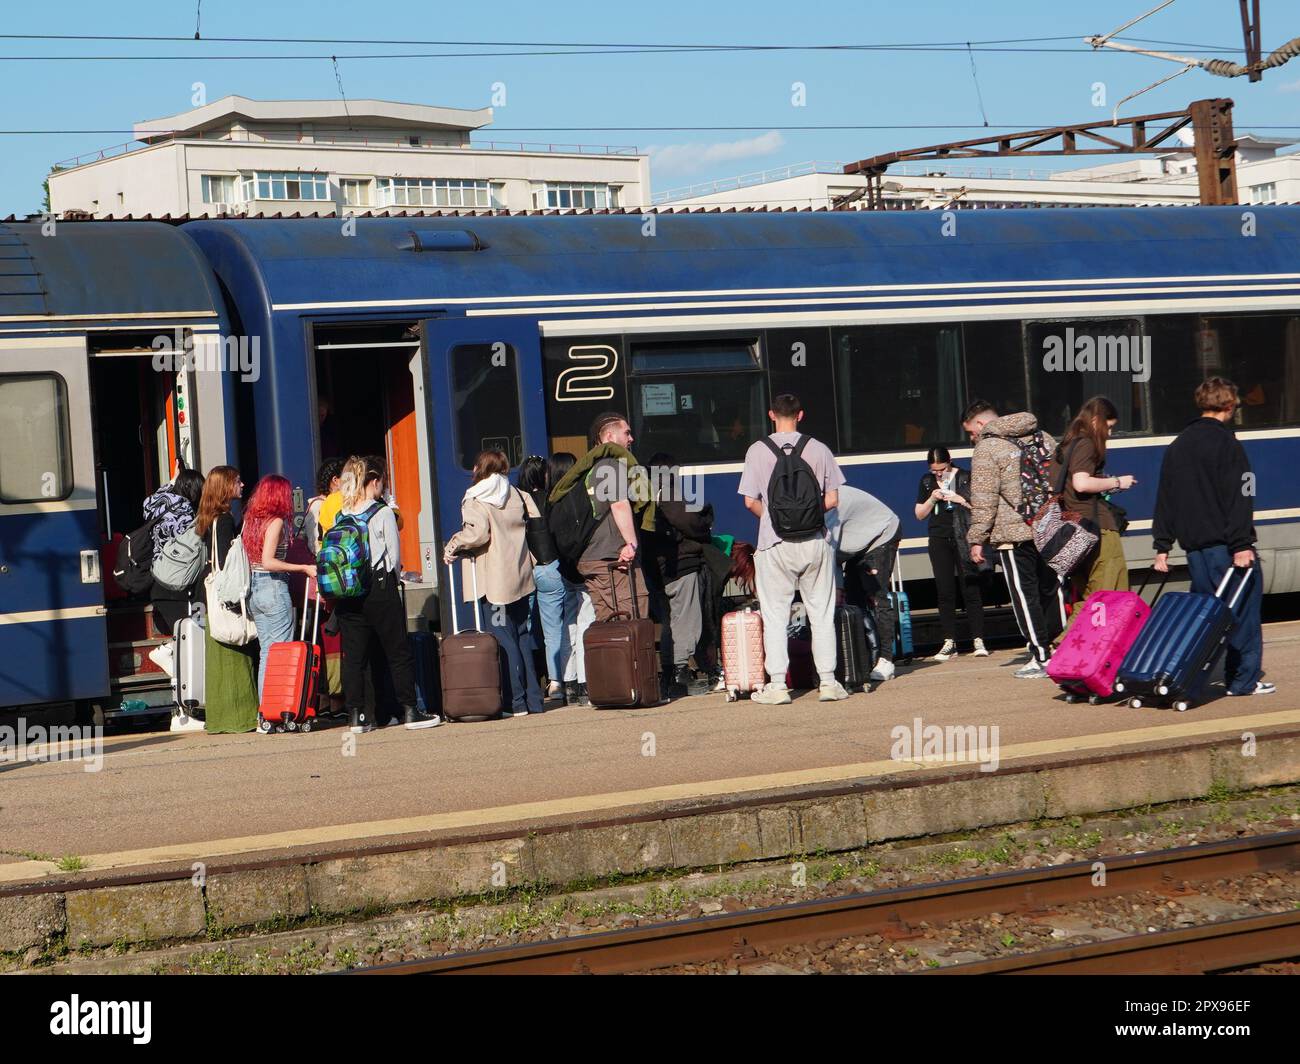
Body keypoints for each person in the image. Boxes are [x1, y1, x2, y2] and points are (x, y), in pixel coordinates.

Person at [1153, 377, 1274, 697]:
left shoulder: (1177, 446)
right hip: (1226, 546)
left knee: (1208, 617)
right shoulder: (1229, 445)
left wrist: (1162, 545)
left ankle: (1190, 675)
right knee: (1243, 612)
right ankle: (1243, 680)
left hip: (1195, 550)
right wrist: (1242, 544)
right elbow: (1241, 497)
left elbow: (1166, 497)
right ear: (1230, 406)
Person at [737, 393, 850, 703]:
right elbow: (833, 499)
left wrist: (775, 520)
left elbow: (749, 501)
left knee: (775, 615)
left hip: (774, 545)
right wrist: (808, 518)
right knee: (821, 612)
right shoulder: (819, 448)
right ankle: (827, 682)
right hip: (815, 542)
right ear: (801, 415)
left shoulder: (757, 451)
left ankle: (777, 685)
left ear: (772, 414)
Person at [335, 456, 440, 731]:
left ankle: (357, 716)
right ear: (374, 482)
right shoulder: (381, 512)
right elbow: (393, 557)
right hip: (379, 588)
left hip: (347, 591)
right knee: (397, 651)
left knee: (355, 658)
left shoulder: (341, 514)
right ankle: (410, 711)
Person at [963, 400, 1065, 679]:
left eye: (971, 432)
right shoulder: (1041, 435)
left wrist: (977, 538)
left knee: (1024, 595)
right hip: (1049, 525)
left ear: (981, 424)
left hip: (1012, 534)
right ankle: (1060, 647)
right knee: (1051, 589)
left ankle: (1041, 656)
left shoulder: (987, 447)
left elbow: (984, 498)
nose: (972, 438)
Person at [443, 449, 544, 716]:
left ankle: (516, 702)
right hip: (521, 577)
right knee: (522, 635)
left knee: (502, 638)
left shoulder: (476, 497)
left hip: (494, 581)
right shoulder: (518, 494)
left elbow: (476, 534)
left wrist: (452, 545)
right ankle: (535, 700)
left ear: (478, 468)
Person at [1050, 397, 1137, 628]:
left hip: (1073, 531)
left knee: (1090, 593)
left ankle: (1074, 647)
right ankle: (1067, 645)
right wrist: (1117, 482)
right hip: (1095, 526)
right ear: (1096, 420)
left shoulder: (1065, 445)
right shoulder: (1087, 443)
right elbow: (1081, 483)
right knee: (1110, 592)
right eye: (1108, 426)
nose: (1110, 432)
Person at [643, 453, 715, 698]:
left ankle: (670, 670)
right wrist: (705, 520)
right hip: (679, 564)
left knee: (669, 621)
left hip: (656, 567)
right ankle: (680, 672)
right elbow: (689, 521)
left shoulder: (646, 492)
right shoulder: (667, 490)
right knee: (686, 618)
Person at [194, 466, 260, 733]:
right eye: (237, 481)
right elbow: (226, 563)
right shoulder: (223, 520)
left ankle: (220, 717)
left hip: (211, 599)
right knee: (237, 656)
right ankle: (241, 717)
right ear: (225, 487)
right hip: (226, 599)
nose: (242, 485)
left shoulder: (208, 518)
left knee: (219, 662)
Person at [242, 474, 318, 703]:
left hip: (254, 590)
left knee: (267, 651)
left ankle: (266, 709)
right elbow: (268, 561)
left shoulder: (250, 520)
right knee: (281, 651)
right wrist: (304, 567)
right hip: (273, 586)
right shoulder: (275, 522)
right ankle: (277, 707)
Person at [915, 447, 989, 660]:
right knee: (944, 590)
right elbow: (919, 514)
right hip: (939, 538)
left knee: (970, 587)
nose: (938, 473)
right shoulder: (927, 481)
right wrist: (932, 499)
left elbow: (981, 508)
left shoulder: (965, 477)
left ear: (950, 462)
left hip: (963, 537)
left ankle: (978, 639)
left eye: (942, 468)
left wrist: (959, 499)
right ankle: (949, 641)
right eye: (934, 469)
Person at [828, 484, 902, 681]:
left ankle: (886, 660)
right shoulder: (815, 505)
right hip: (857, 541)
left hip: (881, 534)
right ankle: (863, 659)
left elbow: (830, 554)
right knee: (853, 602)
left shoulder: (831, 507)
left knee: (876, 597)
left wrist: (837, 589)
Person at [519, 454, 577, 705]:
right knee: (570, 624)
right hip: (556, 567)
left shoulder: (519, 502)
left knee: (541, 629)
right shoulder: (553, 498)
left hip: (534, 571)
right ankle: (571, 677)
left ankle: (552, 683)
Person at [143, 469, 206, 680]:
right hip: (177, 581)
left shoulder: (154, 504)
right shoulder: (186, 511)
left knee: (185, 632)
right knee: (191, 633)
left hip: (159, 574)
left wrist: (172, 481)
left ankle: (179, 685)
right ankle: (180, 683)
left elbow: (152, 499)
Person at [548, 452, 592, 705]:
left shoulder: (551, 498)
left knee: (569, 624)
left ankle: (569, 682)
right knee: (586, 620)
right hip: (582, 566)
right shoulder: (578, 494)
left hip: (563, 567)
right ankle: (586, 682)